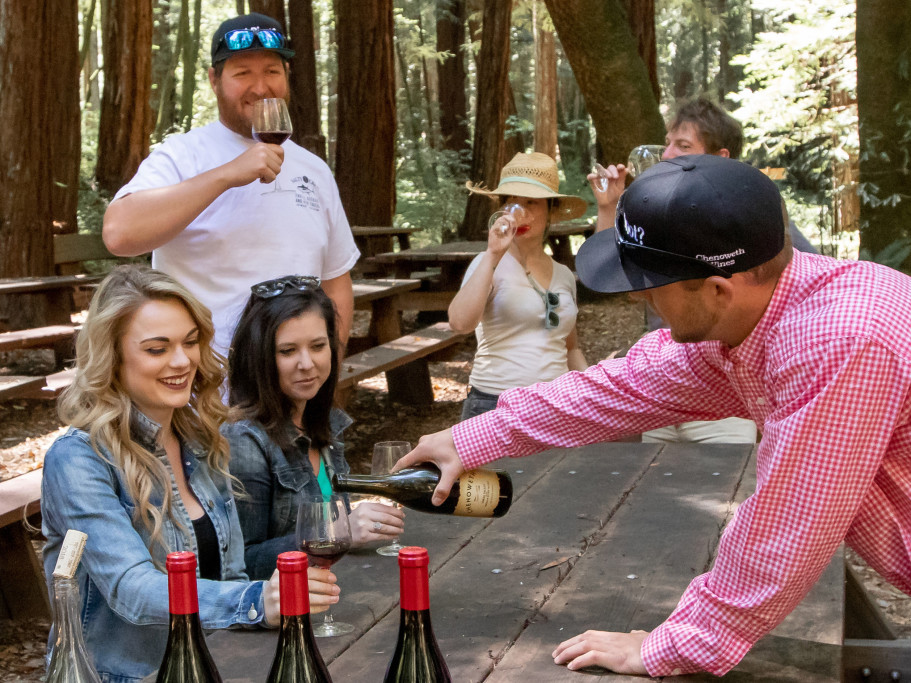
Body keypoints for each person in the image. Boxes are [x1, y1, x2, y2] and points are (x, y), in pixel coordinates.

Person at [394, 155, 911, 677]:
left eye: (649, 281)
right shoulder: (760, 315)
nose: (639, 293)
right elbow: (624, 386)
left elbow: (786, 527)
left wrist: (670, 645)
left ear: (716, 289)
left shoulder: (837, 343)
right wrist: (473, 437)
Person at [41, 265, 340, 682]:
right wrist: (255, 600)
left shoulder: (201, 441)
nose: (182, 361)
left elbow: (231, 571)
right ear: (113, 355)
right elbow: (132, 588)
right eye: (157, 349)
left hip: (212, 663)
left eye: (191, 341)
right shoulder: (78, 459)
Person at [102, 13, 359, 356]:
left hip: (293, 396)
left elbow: (336, 280)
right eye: (242, 73)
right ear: (214, 79)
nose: (260, 87)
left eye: (272, 71)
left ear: (287, 76)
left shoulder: (315, 169)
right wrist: (227, 175)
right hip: (202, 390)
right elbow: (119, 234)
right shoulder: (182, 156)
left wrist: (332, 364)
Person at [590, 96, 819, 443]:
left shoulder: (750, 212)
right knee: (652, 484)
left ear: (720, 157)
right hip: (667, 374)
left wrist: (773, 376)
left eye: (682, 145)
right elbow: (616, 278)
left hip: (725, 388)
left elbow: (802, 278)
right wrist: (609, 208)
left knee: (724, 489)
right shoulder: (664, 208)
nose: (667, 154)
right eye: (667, 143)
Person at [223, 275, 405, 578]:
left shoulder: (323, 424)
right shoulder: (243, 440)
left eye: (318, 346)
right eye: (287, 351)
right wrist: (338, 530)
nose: (306, 363)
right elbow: (241, 563)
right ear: (258, 357)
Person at [450, 152, 589, 420]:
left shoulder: (563, 275)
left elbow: (569, 347)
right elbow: (459, 323)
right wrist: (492, 254)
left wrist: (591, 388)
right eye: (510, 202)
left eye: (531, 203)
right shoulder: (486, 262)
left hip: (555, 405)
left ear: (552, 211)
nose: (520, 213)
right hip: (494, 405)